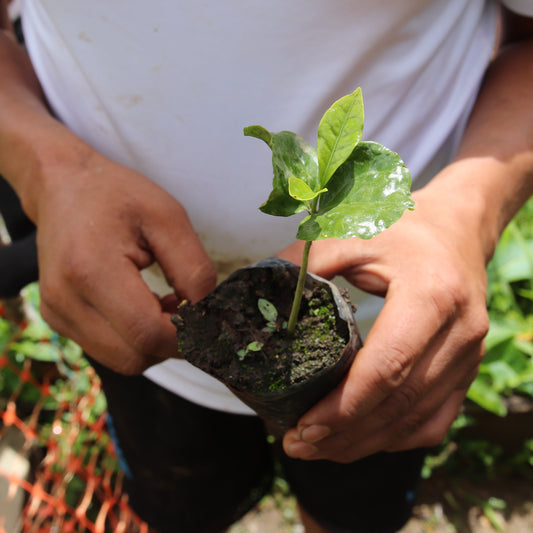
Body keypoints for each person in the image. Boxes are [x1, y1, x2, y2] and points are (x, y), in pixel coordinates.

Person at [1, 1, 532, 532]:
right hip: (138, 315)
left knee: (354, 511)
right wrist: (49, 167)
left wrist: (469, 210)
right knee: (180, 505)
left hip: (387, 344)